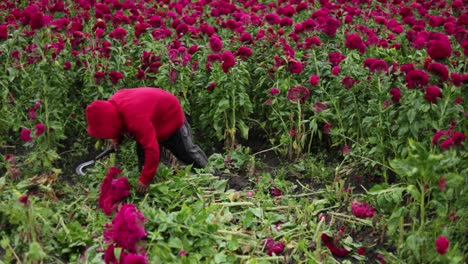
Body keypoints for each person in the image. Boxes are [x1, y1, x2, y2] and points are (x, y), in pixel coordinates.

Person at [85, 87, 208, 194]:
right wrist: (117, 139)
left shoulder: (135, 118)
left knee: (188, 153)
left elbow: (152, 150)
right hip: (150, 119)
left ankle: (211, 175)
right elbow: (117, 122)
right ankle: (153, 185)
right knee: (143, 158)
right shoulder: (113, 105)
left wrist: (145, 179)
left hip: (169, 115)